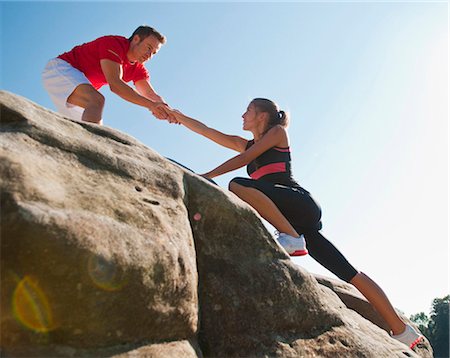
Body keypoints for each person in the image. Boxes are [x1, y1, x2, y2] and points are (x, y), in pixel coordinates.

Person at [168, 98, 424, 350]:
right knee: (349, 273)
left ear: (262, 116)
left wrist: (204, 177)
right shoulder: (244, 143)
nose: (242, 115)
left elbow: (243, 161)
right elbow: (207, 131)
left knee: (237, 184)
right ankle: (401, 330)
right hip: (295, 219)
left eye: (248, 111)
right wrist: (177, 116)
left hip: (300, 204)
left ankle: (290, 237)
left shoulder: (277, 133)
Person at [42, 25, 173, 125]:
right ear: (136, 39)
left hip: (79, 85)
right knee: (96, 101)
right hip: (61, 69)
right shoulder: (114, 44)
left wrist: (169, 111)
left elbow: (150, 95)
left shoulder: (138, 69)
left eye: (154, 53)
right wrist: (151, 106)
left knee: (93, 124)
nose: (149, 55)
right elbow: (115, 84)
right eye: (148, 48)